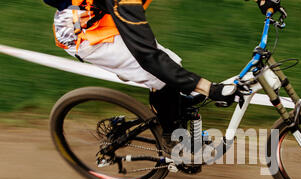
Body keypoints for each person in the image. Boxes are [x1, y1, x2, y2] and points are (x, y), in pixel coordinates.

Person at [44, 0, 282, 146]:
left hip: (107, 16)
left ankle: (174, 111)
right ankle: (170, 139)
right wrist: (211, 89)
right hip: (86, 35)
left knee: (174, 68)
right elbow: (148, 57)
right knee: (162, 74)